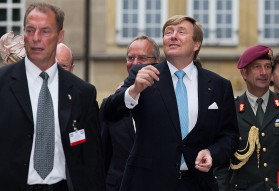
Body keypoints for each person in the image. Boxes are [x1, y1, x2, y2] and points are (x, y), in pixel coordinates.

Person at [104, 15, 239, 191]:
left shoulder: (219, 85)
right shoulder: (143, 74)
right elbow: (109, 111)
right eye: (168, 32)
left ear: (197, 44)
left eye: (181, 32)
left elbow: (230, 136)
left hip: (197, 183)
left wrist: (212, 153)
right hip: (147, 184)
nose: (173, 36)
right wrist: (134, 90)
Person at [0, 3, 105, 190]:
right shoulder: (3, 83)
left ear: (60, 36)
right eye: (30, 30)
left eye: (45, 31)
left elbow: (92, 162)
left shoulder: (82, 93)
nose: (36, 38)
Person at [215, 45, 279, 191]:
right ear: (244, 73)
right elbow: (221, 164)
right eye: (257, 67)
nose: (263, 72)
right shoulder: (230, 109)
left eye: (268, 67)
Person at [99, 35, 160, 191]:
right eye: (130, 58)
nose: (135, 64)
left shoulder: (165, 102)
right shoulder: (112, 103)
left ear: (157, 62)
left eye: (142, 58)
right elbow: (102, 152)